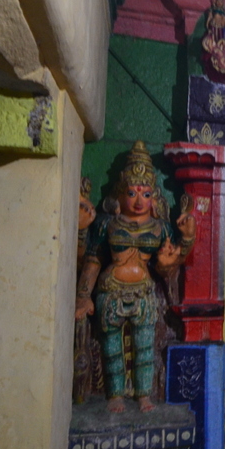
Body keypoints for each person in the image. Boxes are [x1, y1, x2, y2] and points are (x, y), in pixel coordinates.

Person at [75, 141, 196, 412]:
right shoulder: (108, 223)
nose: (139, 201)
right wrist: (83, 295)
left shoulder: (160, 228)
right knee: (111, 348)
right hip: (110, 290)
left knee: (145, 347)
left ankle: (143, 394)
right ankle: (115, 394)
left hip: (143, 291)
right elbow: (93, 258)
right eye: (131, 193)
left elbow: (169, 265)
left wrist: (186, 240)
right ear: (120, 195)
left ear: (154, 197)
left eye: (146, 194)